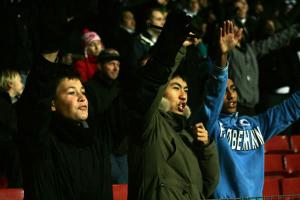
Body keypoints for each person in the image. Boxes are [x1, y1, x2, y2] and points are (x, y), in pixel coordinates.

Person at [126, 9, 239, 199]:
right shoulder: (149, 125)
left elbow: (208, 185)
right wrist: (178, 47)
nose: (183, 95)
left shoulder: (189, 133)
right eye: (176, 87)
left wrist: (206, 148)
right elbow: (155, 84)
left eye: (186, 90)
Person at [208, 77, 300, 198]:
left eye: (233, 89)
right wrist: (221, 68)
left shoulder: (255, 124)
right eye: (223, 91)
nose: (231, 95)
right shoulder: (211, 125)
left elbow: (288, 109)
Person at [228, 20, 300, 115]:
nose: (237, 32)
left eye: (238, 29)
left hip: (252, 107)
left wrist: (295, 28)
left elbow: (273, 41)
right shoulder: (228, 53)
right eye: (232, 30)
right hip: (237, 106)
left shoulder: (250, 50)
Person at [85, 49, 128, 183]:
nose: (116, 68)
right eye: (111, 64)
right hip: (102, 149)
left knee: (125, 186)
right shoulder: (88, 89)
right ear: (99, 66)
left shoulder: (120, 89)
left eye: (118, 65)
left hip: (122, 148)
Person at [0, 69, 23, 187]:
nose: (22, 84)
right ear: (10, 84)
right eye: (20, 81)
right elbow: (12, 128)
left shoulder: (9, 103)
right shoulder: (4, 104)